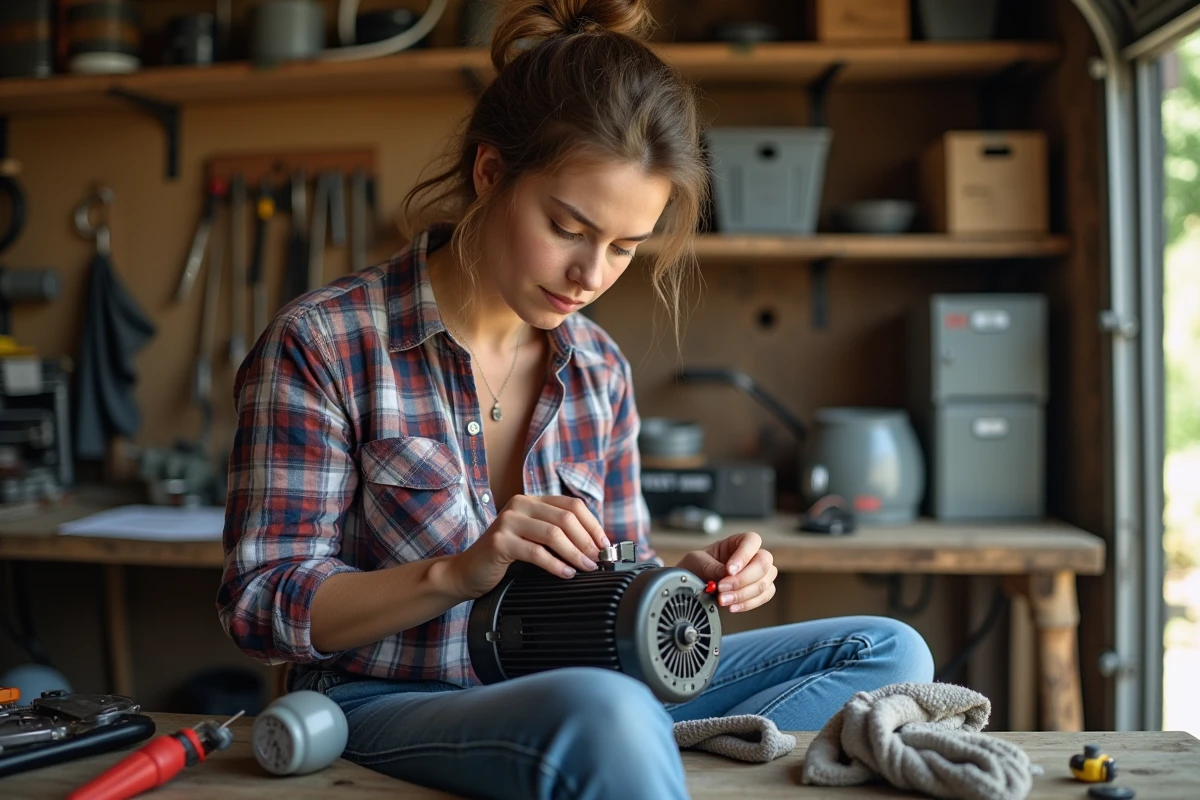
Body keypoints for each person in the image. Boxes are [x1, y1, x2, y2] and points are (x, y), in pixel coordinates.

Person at [217, 1, 934, 797]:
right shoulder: (324, 343)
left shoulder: (599, 369)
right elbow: (260, 607)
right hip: (384, 698)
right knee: (609, 709)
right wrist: (456, 573)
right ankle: (628, 746)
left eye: (625, 248)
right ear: (491, 174)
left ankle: (627, 751)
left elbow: (613, 585)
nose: (591, 275)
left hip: (584, 683)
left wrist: (680, 591)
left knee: (890, 655)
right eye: (568, 227)